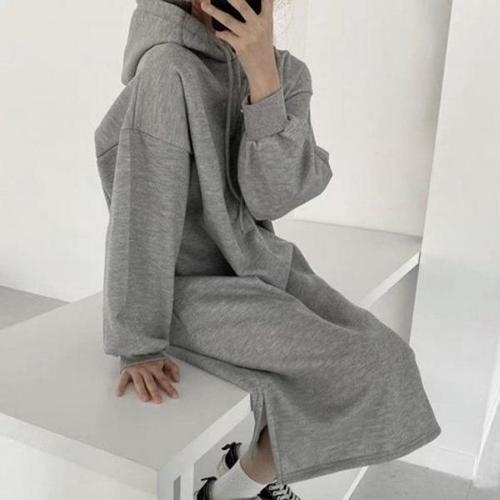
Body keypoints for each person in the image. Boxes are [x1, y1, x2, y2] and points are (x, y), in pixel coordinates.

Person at [94, 1, 442, 499]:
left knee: (386, 358)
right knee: (368, 366)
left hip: (260, 264)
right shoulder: (167, 69)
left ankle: (234, 480)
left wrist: (262, 77)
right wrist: (138, 342)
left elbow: (272, 198)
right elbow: (142, 206)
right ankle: (231, 492)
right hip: (186, 289)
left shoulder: (286, 74)